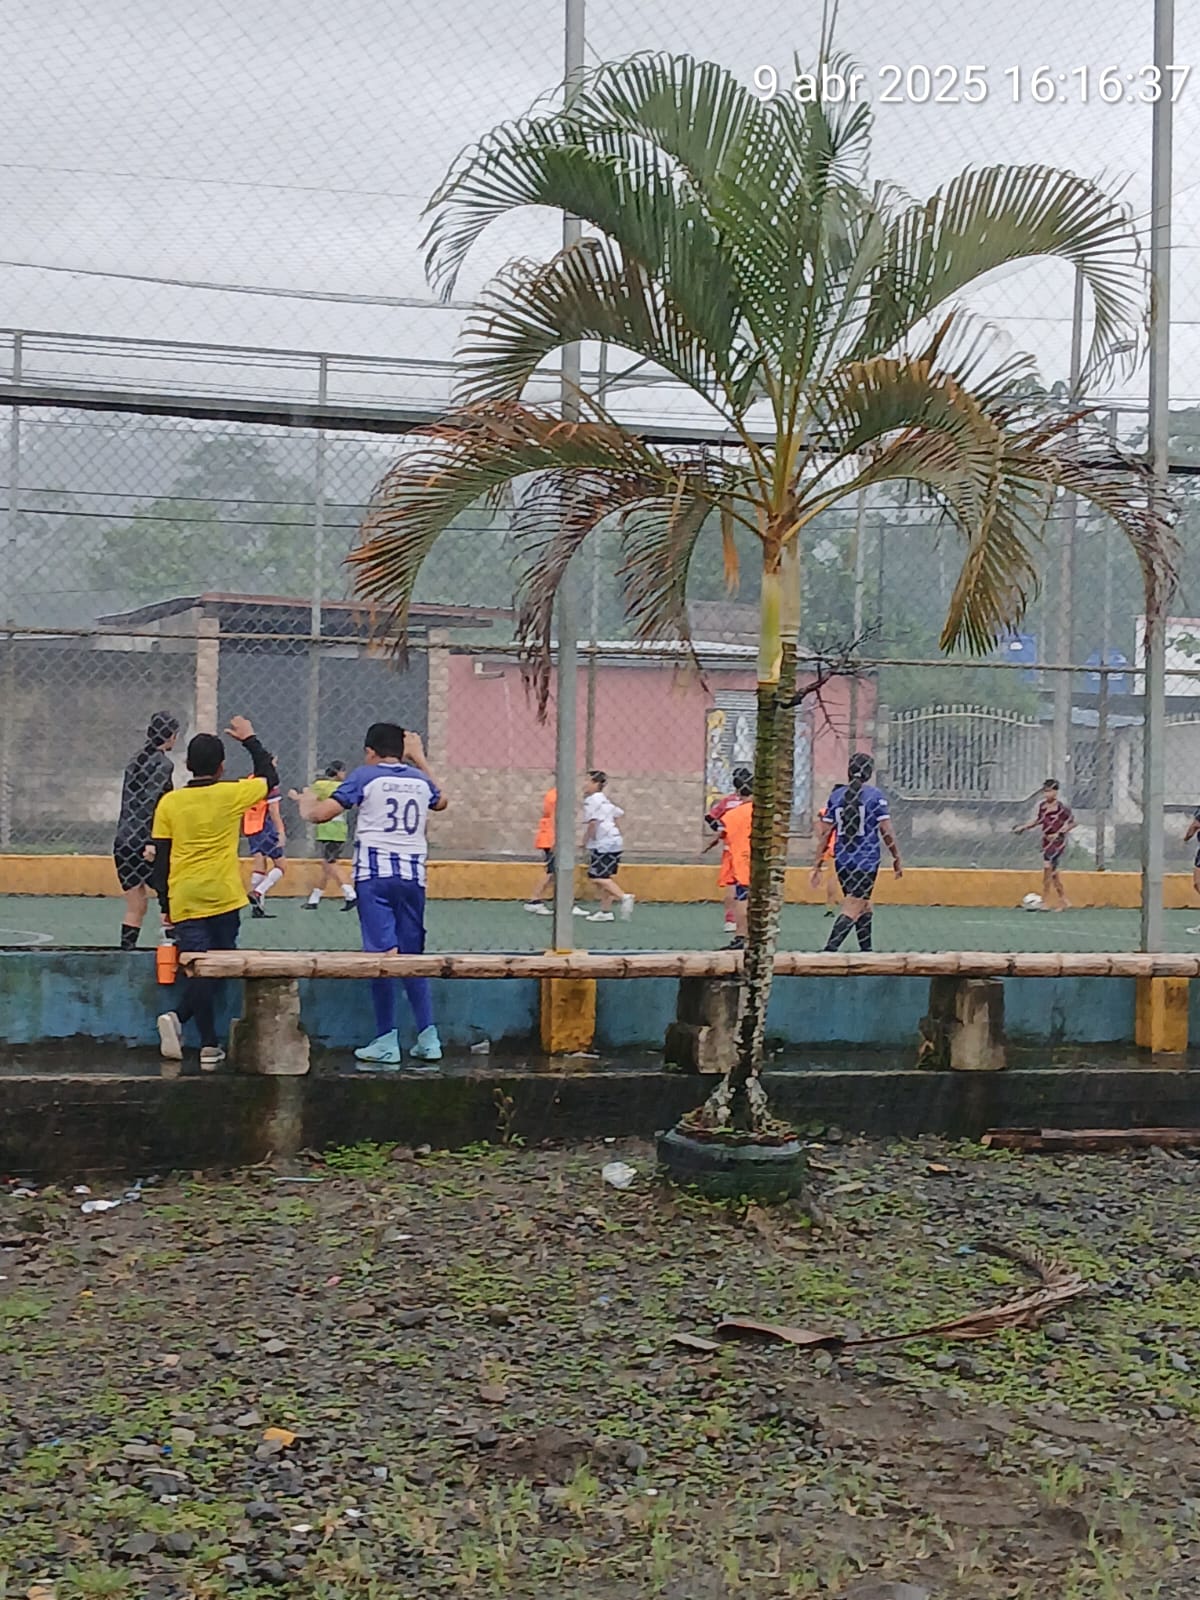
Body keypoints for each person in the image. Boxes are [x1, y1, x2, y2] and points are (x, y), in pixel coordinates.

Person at [296, 722, 447, 1069]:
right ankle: (429, 1038)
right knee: (412, 956)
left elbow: (323, 814)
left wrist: (306, 806)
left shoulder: (365, 776)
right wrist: (421, 759)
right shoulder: (419, 779)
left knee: (381, 956)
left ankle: (386, 1040)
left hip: (375, 877)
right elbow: (442, 800)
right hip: (412, 877)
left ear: (369, 751)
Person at [151, 717, 278, 1073]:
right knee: (218, 966)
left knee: (199, 969)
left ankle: (207, 1042)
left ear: (187, 764)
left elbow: (161, 861)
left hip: (185, 898)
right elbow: (269, 777)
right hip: (223, 897)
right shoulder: (232, 794)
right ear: (222, 767)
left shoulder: (170, 803)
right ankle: (182, 1021)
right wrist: (250, 739)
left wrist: (165, 904)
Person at [812, 752, 902, 952]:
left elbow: (826, 834)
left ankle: (866, 951)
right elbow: (886, 830)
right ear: (869, 773)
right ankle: (828, 951)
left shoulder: (836, 796)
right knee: (853, 906)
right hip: (866, 861)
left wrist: (817, 862)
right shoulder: (875, 796)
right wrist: (896, 856)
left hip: (843, 860)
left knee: (864, 904)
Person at [113, 711, 179, 949]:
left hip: (123, 841)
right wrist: (151, 841)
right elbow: (151, 802)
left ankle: (127, 950)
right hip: (145, 840)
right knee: (168, 897)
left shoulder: (136, 759)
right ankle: (171, 950)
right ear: (171, 736)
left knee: (136, 905)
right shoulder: (163, 765)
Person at [292, 762, 357, 912]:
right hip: (340, 830)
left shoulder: (321, 785)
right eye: (343, 771)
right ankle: (315, 898)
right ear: (337, 772)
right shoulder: (345, 787)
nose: (345, 774)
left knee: (331, 863)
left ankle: (350, 894)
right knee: (327, 865)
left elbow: (309, 800)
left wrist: (297, 797)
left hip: (327, 829)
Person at [578, 770, 634, 922]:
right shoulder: (604, 800)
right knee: (605, 877)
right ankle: (605, 911)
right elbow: (617, 815)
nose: (584, 784)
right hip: (614, 842)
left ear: (596, 784)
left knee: (596, 877)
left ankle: (624, 897)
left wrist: (585, 841)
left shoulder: (591, 801)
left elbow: (593, 823)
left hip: (603, 844)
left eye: (588, 781)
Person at [1013, 778, 1075, 912]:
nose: (1047, 794)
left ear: (1056, 792)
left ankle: (1046, 901)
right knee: (1053, 873)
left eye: (1050, 791)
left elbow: (1072, 822)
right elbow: (1039, 821)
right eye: (1045, 791)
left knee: (1048, 869)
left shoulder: (1061, 808)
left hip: (1057, 842)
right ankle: (1063, 899)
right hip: (1046, 841)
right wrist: (1023, 827)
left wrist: (1060, 832)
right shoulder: (1042, 806)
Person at [704, 766, 752, 935]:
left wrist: (720, 830)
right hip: (751, 848)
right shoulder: (756, 805)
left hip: (731, 848)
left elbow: (710, 817)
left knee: (733, 885)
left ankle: (730, 920)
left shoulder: (729, 801)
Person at [718, 771, 754, 950]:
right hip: (762, 858)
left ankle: (740, 934)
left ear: (738, 792)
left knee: (742, 896)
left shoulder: (732, 814)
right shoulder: (764, 812)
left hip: (740, 858)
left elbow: (722, 832)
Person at [243, 773, 286, 918]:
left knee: (259, 866)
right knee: (281, 866)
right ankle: (258, 892)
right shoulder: (270, 782)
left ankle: (257, 908)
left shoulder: (250, 780)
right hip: (265, 827)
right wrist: (281, 831)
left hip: (251, 826)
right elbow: (274, 810)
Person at [522, 786, 557, 916]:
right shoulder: (557, 796)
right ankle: (534, 900)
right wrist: (555, 839)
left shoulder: (553, 794)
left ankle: (561, 901)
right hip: (550, 838)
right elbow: (555, 818)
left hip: (548, 837)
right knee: (551, 871)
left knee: (554, 872)